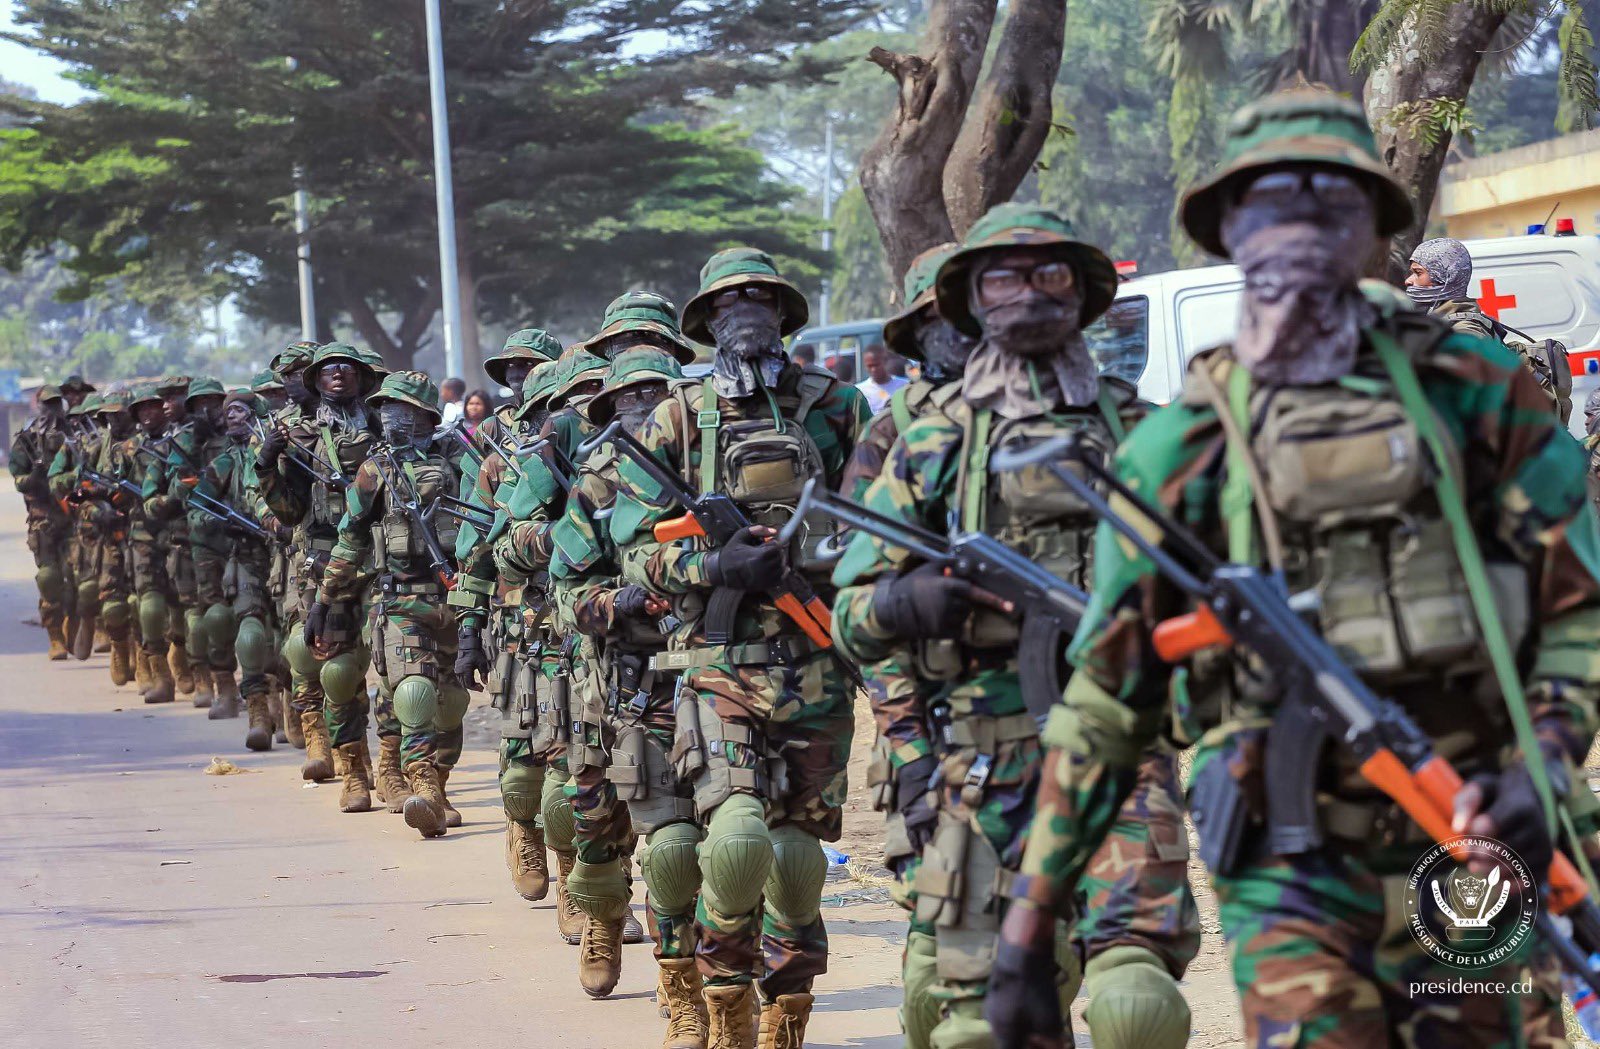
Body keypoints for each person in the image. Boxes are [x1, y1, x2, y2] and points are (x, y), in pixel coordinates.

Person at [986, 87, 1600, 1048]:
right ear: (1232, 228)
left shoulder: (1478, 397)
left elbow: (1577, 607)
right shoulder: (1183, 445)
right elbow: (1108, 700)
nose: (1302, 230)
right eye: (1273, 203)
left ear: (1376, 230)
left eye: (1333, 202)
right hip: (1287, 855)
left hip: (1474, 820)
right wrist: (1029, 922)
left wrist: (1547, 759)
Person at [832, 205, 1196, 1049]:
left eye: (1049, 274)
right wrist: (905, 602)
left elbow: (1221, 583)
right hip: (980, 763)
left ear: (1083, 291)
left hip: (1121, 756)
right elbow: (850, 615)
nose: (1028, 293)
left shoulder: (1139, 431)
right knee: (974, 1027)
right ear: (973, 300)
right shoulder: (934, 441)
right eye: (1004, 276)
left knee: (1135, 1004)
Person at [611, 247, 869, 1048]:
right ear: (708, 320)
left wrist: (819, 562)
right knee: (737, 836)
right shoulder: (676, 418)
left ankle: (787, 1007)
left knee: (795, 858)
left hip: (817, 658)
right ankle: (721, 999)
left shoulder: (839, 408)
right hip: (717, 663)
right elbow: (632, 552)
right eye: (729, 300)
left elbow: (883, 526)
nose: (746, 307)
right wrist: (714, 563)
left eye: (761, 295)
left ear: (783, 313)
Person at [310, 370, 469, 836]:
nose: (391, 417)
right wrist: (325, 596)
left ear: (425, 415)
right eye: (386, 409)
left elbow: (489, 523)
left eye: (401, 409)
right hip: (398, 600)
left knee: (453, 700)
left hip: (455, 598)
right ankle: (423, 787)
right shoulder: (375, 470)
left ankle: (438, 778)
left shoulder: (458, 460)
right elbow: (352, 536)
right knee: (414, 690)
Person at [255, 343, 383, 800]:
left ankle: (399, 766)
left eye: (348, 368)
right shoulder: (299, 436)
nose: (339, 375)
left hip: (390, 560)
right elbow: (288, 511)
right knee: (337, 670)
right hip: (326, 561)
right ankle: (352, 769)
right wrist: (268, 465)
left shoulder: (390, 426)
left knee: (396, 669)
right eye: (328, 369)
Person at [1405, 236, 1572, 420]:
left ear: (1446, 278)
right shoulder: (1451, 324)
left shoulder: (1465, 333)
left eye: (1418, 273)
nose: (1408, 280)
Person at [12, 383, 78, 660]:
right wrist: (36, 475)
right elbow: (19, 480)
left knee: (77, 579)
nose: (51, 410)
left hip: (73, 517)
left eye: (56, 404)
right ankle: (55, 636)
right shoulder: (26, 441)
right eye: (46, 404)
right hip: (43, 519)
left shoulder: (75, 434)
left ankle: (72, 624)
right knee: (50, 578)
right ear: (38, 406)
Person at [854, 346, 907, 414]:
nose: (873, 369)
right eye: (870, 366)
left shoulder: (904, 386)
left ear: (885, 362)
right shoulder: (859, 391)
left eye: (876, 365)